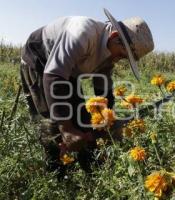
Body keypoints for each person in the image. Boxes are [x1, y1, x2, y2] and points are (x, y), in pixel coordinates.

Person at [20, 8, 154, 176]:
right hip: (40, 61)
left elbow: (103, 92)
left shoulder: (108, 56)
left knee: (82, 120)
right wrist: (66, 128)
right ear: (114, 38)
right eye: (121, 55)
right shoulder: (83, 33)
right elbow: (53, 76)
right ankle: (58, 175)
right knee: (53, 124)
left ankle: (91, 171)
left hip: (67, 71)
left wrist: (104, 123)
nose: (118, 60)